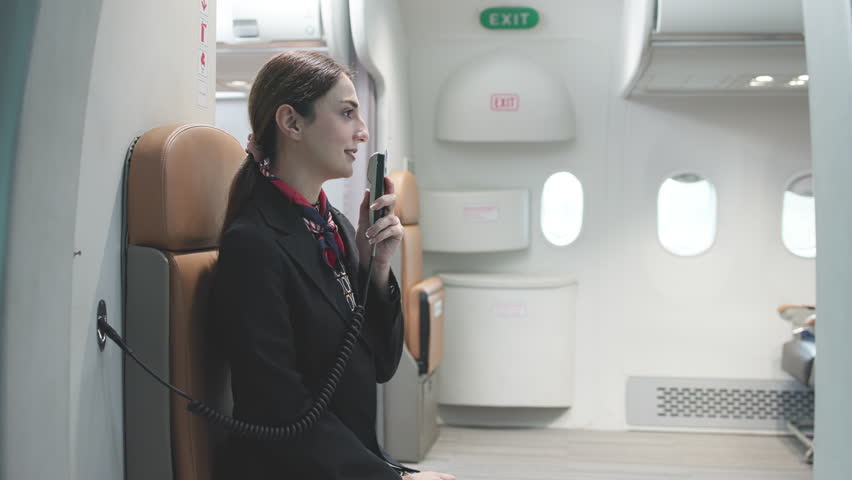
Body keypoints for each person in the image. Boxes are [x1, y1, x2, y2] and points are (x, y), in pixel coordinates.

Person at [211, 50, 455, 480]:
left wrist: (375, 266)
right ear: (291, 123)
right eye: (347, 113)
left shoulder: (337, 227)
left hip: (345, 461)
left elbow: (381, 363)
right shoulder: (253, 243)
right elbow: (279, 410)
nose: (362, 133)